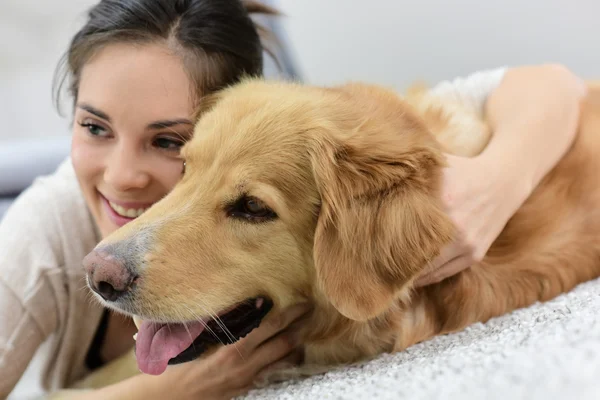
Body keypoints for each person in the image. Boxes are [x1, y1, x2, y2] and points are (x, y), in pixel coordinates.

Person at [0, 0, 586, 397]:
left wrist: (498, 181)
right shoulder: (40, 237)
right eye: (94, 127)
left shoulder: (305, 145)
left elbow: (554, 85)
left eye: (171, 143)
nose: (125, 178)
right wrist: (161, 391)